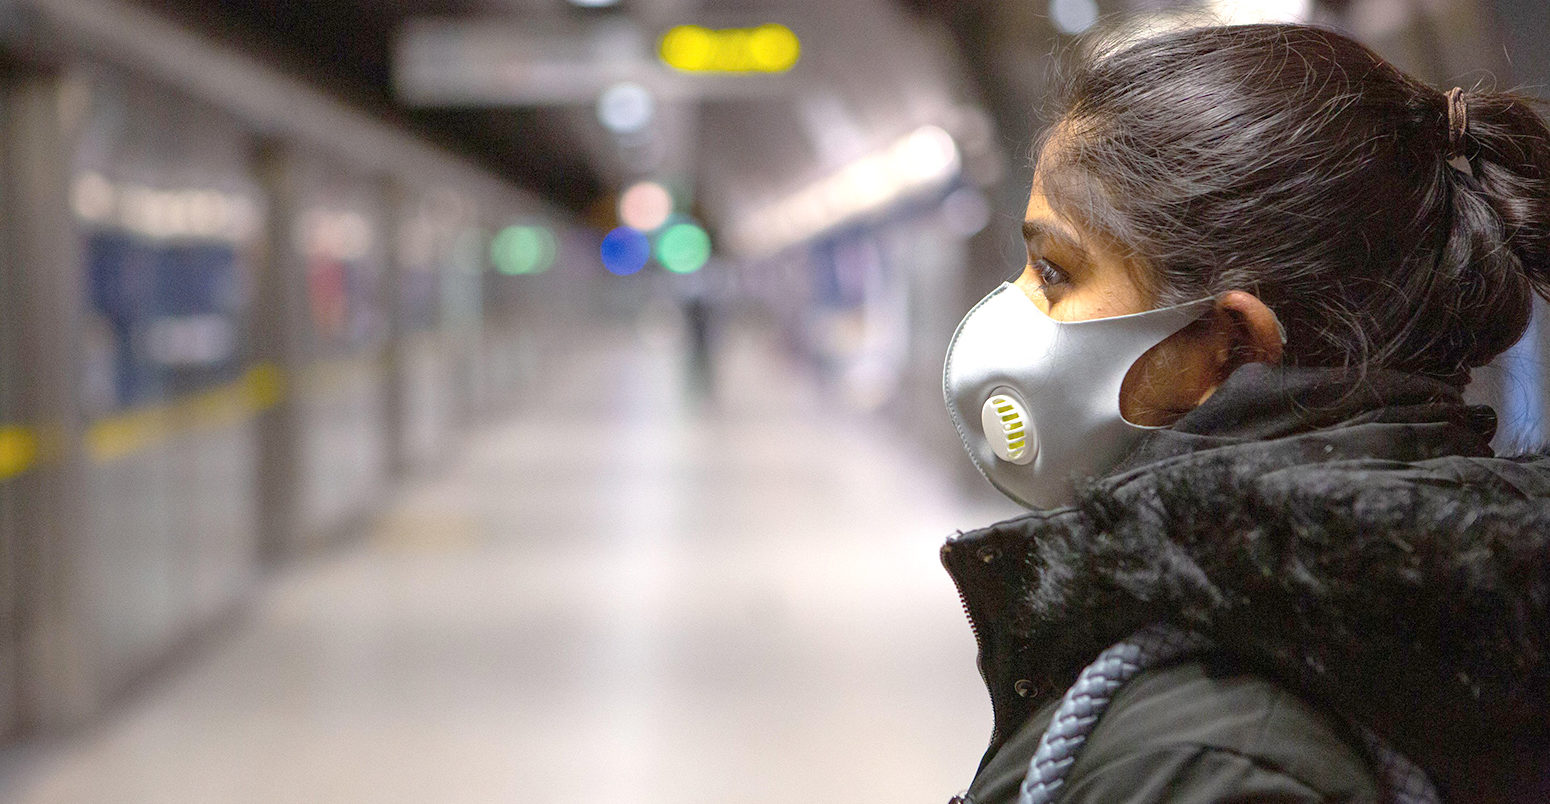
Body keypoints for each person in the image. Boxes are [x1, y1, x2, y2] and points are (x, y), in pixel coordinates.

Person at [939, 22, 1550, 804]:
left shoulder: (1213, 760)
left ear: (1229, 346)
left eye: (1055, 270)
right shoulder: (1429, 635)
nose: (1015, 308)